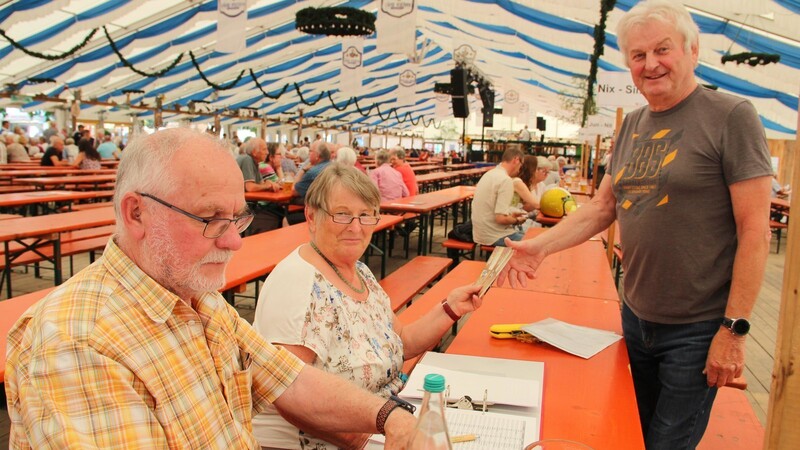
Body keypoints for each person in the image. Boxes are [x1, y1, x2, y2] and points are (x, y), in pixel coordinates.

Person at [5, 128, 417, 449]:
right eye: (210, 218)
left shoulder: (196, 297)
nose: (235, 241)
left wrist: (389, 417)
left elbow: (291, 380)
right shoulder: (76, 342)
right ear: (137, 213)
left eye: (237, 218)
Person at [498, 2, 772, 447]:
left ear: (692, 50)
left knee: (667, 442)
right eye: (638, 56)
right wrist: (541, 246)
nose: (651, 64)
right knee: (630, 434)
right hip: (636, 315)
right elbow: (603, 207)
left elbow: (755, 232)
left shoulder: (731, 116)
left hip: (698, 327)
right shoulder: (633, 125)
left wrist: (734, 330)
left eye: (662, 50)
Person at [251, 163, 482, 449]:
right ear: (312, 215)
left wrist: (451, 308)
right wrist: (370, 437)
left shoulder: (359, 272)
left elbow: (401, 342)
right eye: (342, 215)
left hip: (383, 423)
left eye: (365, 215)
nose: (356, 227)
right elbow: (288, 394)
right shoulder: (297, 282)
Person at [471, 148, 527, 246]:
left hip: (479, 233)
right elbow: (501, 219)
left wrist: (511, 215)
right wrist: (517, 220)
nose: (519, 170)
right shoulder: (506, 180)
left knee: (527, 234)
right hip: (495, 236)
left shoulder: (488, 174)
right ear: (516, 160)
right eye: (521, 165)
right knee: (534, 241)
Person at [236, 138, 284, 234]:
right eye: (264, 149)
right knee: (276, 214)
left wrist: (268, 184)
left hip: (246, 206)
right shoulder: (247, 159)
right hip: (240, 207)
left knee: (277, 213)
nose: (267, 152)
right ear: (254, 152)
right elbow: (250, 187)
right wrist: (267, 185)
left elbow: (259, 184)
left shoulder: (256, 163)